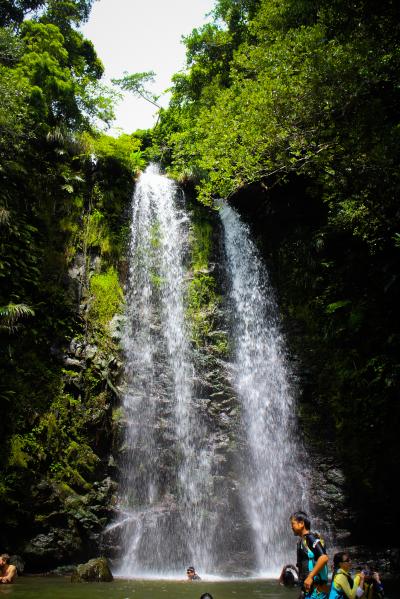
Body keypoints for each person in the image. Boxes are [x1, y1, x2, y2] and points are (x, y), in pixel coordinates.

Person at [290, 510, 329, 599]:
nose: (291, 527)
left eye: (293, 524)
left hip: (316, 591)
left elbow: (324, 558)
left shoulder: (310, 538)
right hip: (308, 589)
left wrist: (310, 577)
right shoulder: (302, 541)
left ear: (301, 523)